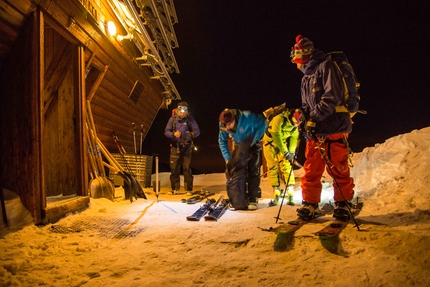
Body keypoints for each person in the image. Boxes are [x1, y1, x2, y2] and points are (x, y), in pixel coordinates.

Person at [290, 35, 355, 220]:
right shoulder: (306, 77)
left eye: (295, 56)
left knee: (338, 168)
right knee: (311, 168)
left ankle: (343, 204)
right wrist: (303, 118)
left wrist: (313, 117)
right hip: (315, 130)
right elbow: (307, 105)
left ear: (301, 55)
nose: (295, 62)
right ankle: (310, 204)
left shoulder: (326, 66)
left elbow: (332, 96)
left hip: (334, 126)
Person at [218, 108, 267, 210]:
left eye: (229, 124)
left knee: (253, 169)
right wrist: (228, 159)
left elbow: (263, 123)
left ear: (234, 119)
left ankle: (253, 198)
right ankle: (239, 199)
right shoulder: (223, 125)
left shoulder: (247, 117)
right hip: (239, 145)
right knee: (237, 169)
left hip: (253, 142)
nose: (228, 127)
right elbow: (222, 141)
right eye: (225, 125)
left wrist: (253, 138)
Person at [262, 108, 302, 206]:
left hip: (281, 144)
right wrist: (285, 152)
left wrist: (291, 152)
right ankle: (276, 190)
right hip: (269, 143)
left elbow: (294, 137)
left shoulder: (294, 125)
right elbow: (276, 135)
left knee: (286, 165)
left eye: (298, 122)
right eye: (296, 121)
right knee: (272, 166)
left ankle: (290, 189)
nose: (296, 124)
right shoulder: (279, 119)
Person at [164, 102, 200, 195]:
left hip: (187, 147)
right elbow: (166, 131)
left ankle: (188, 189)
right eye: (180, 110)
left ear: (187, 111)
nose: (182, 113)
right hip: (176, 146)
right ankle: (174, 188)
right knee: (174, 167)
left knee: (187, 168)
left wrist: (191, 135)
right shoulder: (173, 119)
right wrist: (173, 134)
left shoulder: (190, 119)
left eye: (184, 111)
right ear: (178, 110)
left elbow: (197, 131)